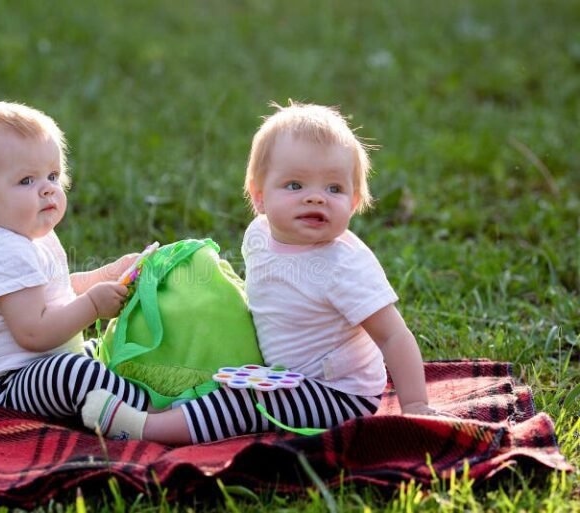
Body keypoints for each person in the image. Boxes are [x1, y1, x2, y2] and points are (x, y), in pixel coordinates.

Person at [82, 101, 448, 445]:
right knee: (221, 374)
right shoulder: (258, 234)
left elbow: (393, 336)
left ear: (354, 202)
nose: (316, 197)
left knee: (246, 405)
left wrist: (414, 404)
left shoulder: (344, 265)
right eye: (295, 185)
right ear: (259, 197)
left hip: (336, 393)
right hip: (278, 369)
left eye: (334, 188)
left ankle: (144, 427)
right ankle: (162, 398)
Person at [0, 101, 149, 426]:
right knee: (77, 373)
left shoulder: (29, 235)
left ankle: (129, 391)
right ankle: (148, 414)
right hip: (4, 388)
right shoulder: (2, 250)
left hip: (41, 367)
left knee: (108, 348)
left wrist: (108, 274)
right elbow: (33, 333)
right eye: (27, 180)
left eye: (53, 175)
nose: (49, 188)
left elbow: (55, 293)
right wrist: (92, 305)